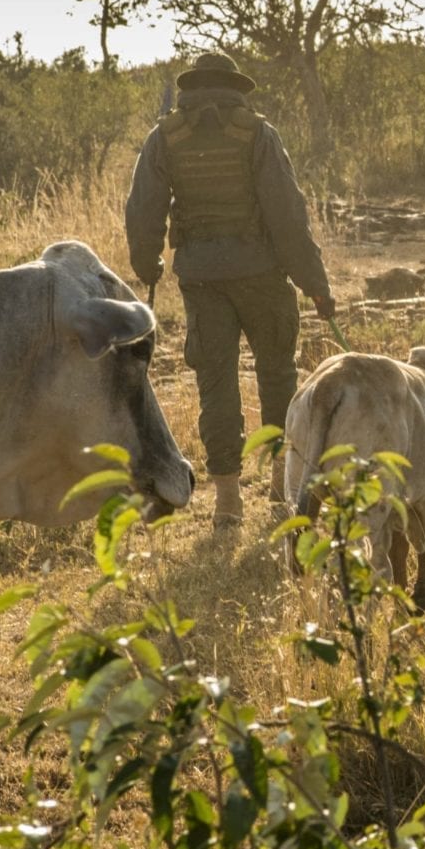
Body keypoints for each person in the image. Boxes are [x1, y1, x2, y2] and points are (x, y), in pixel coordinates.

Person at [126, 52, 336, 530]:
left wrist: (148, 264)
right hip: (263, 275)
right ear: (235, 88)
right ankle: (282, 496)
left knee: (215, 385)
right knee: (278, 379)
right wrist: (316, 286)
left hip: (202, 280)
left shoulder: (165, 138)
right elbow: (288, 216)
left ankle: (227, 503)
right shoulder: (258, 134)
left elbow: (142, 212)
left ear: (192, 88)